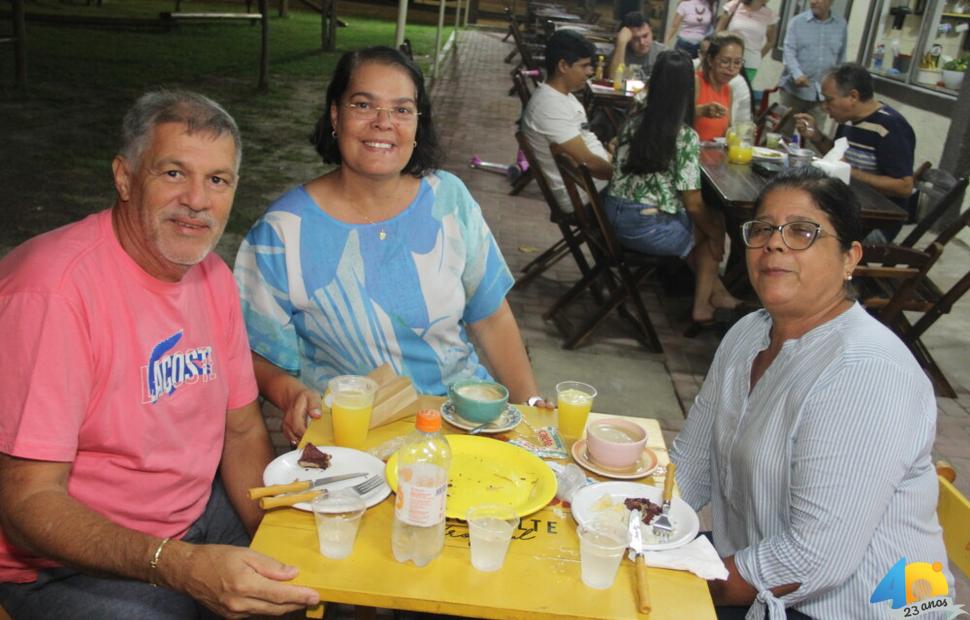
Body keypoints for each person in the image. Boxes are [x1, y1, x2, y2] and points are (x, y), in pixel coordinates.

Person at [0, 90, 319, 618]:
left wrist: (275, 540)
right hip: (65, 560)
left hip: (195, 513)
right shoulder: (52, 294)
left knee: (312, 590)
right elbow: (29, 503)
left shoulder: (211, 276)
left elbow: (240, 431)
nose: (197, 199)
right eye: (174, 173)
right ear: (125, 178)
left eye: (217, 180)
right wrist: (179, 566)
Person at [670, 166, 951, 619]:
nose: (774, 243)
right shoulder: (748, 333)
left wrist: (683, 586)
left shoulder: (865, 371)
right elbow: (691, 466)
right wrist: (638, 526)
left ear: (849, 257)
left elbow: (812, 559)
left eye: (802, 231)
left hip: (855, 606)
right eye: (762, 229)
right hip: (758, 577)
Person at [235, 47, 547, 444]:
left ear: (418, 123)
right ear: (336, 115)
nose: (383, 123)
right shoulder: (281, 232)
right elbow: (251, 352)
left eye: (402, 110)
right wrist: (288, 392)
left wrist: (532, 407)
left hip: (466, 422)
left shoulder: (448, 199)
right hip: (355, 438)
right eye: (364, 105)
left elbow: (490, 317)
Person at [604, 50, 741, 326]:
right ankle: (703, 306)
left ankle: (718, 292)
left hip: (610, 214)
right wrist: (715, 233)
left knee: (708, 224)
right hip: (644, 227)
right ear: (688, 89)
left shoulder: (633, 122)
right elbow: (693, 202)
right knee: (711, 230)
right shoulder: (684, 136)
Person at [793, 63, 915, 241]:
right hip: (845, 208)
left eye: (829, 100)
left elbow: (904, 187)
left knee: (805, 239)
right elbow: (838, 155)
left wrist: (851, 173)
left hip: (874, 222)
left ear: (853, 96)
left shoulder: (889, 127)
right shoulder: (849, 120)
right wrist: (816, 136)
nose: (824, 107)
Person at [522, 30, 612, 213]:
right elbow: (589, 162)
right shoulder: (549, 107)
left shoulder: (565, 97)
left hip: (595, 188)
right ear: (563, 65)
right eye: (584, 66)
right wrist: (623, 176)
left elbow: (589, 145)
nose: (590, 72)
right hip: (586, 198)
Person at [778, 0, 847, 132]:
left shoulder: (840, 24)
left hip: (822, 94)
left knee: (815, 136)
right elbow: (789, 51)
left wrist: (839, 85)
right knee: (783, 133)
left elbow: (841, 57)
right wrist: (797, 74)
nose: (813, 2)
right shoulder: (798, 22)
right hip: (795, 90)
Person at [694, 31, 746, 141]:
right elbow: (675, 118)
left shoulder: (728, 90)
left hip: (713, 153)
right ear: (710, 60)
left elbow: (727, 130)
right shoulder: (696, 81)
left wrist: (742, 131)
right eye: (725, 61)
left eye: (737, 62)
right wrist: (701, 111)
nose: (731, 68)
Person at [715, 0, 778, 82]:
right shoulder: (734, 5)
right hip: (728, 60)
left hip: (751, 63)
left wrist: (759, 56)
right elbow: (718, 32)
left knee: (741, 90)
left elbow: (770, 42)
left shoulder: (770, 15)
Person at [608, 11, 668, 83]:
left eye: (645, 36)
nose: (642, 42)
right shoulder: (619, 53)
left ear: (651, 31)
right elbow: (613, 80)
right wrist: (621, 43)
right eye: (636, 39)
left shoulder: (663, 53)